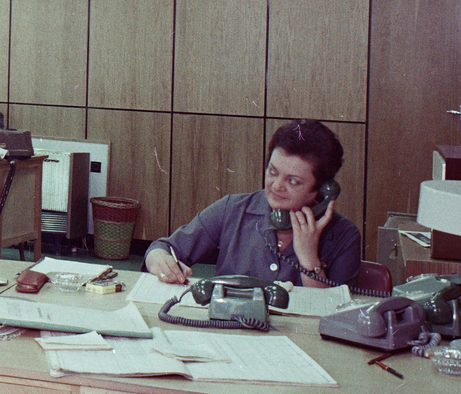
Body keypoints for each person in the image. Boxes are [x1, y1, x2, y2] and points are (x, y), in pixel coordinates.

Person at [144, 119, 360, 288]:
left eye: (293, 181)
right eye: (272, 172)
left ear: (322, 189)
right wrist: (160, 260)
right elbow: (163, 248)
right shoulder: (233, 209)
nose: (276, 186)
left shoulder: (345, 236)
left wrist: (308, 258)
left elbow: (332, 312)